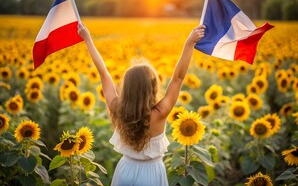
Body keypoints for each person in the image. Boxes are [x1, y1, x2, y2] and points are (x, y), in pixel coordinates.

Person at [78, 22, 205, 186]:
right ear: (152, 88)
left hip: (125, 170)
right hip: (151, 174)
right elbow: (178, 78)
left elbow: (103, 73)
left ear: (127, 88)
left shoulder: (117, 109)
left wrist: (87, 38)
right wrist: (189, 43)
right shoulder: (160, 112)